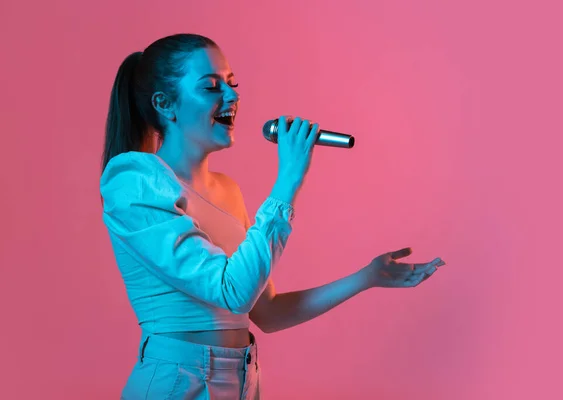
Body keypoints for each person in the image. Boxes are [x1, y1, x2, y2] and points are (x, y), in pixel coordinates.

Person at [99, 33, 447, 400]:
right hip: (177, 384)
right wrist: (288, 181)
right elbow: (231, 292)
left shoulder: (227, 190)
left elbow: (266, 311)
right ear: (165, 103)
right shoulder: (134, 180)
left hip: (242, 382)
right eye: (211, 87)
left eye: (232, 85)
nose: (232, 97)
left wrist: (367, 277)